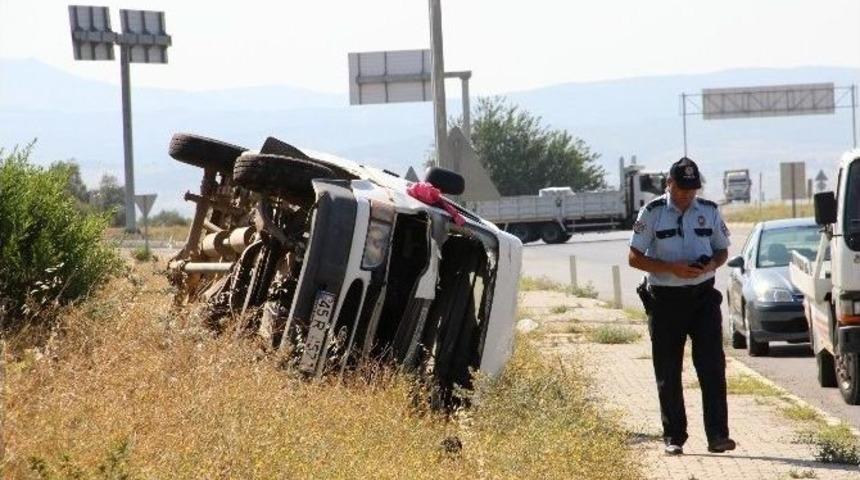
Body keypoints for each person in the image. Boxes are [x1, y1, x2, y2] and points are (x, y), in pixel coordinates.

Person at [628, 157, 736, 456]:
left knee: (712, 367)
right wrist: (670, 268)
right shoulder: (652, 213)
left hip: (703, 297)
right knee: (668, 370)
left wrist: (711, 264)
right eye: (682, 189)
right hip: (665, 300)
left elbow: (722, 250)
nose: (688, 195)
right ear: (669, 184)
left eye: (693, 189)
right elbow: (634, 257)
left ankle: (717, 435)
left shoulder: (710, 211)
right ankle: (674, 436)